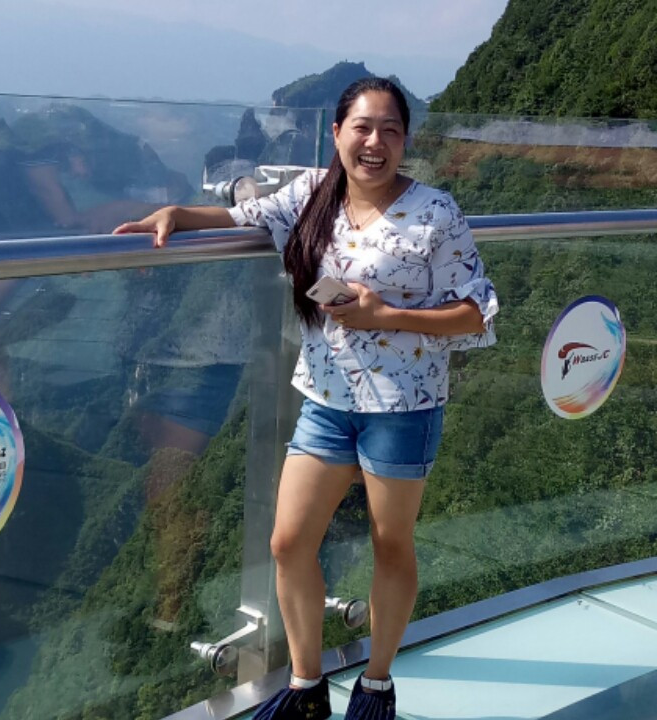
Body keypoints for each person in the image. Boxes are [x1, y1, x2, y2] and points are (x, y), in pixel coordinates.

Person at [114, 77, 498, 720]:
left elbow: (475, 313)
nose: (375, 142)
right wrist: (175, 214)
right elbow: (241, 215)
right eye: (363, 127)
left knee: (390, 544)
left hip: (403, 407)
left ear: (405, 140)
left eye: (391, 130)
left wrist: (385, 316)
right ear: (338, 133)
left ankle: (376, 684)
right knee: (288, 543)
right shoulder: (311, 195)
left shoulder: (436, 212)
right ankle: (306, 686)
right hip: (324, 399)